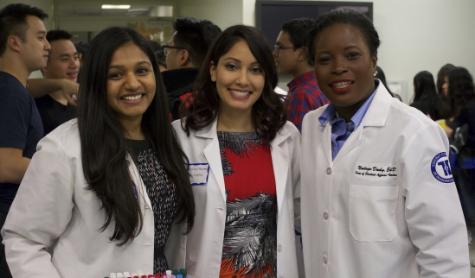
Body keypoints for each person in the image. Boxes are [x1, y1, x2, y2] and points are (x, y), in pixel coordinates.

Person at [2, 27, 194, 277]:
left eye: (142, 71)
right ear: (95, 83)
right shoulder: (63, 148)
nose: (133, 83)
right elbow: (24, 240)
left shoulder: (168, 141)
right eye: (115, 75)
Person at [300, 10, 469, 278]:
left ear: (374, 60)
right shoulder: (310, 127)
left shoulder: (414, 133)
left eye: (352, 55)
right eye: (324, 59)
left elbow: (444, 250)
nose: (338, 67)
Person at [172, 25, 301, 277]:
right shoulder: (181, 136)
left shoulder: (287, 137)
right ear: (212, 70)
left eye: (255, 70)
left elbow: (299, 217)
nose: (243, 80)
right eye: (231, 66)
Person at [0, 4, 50, 277]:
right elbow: (5, 165)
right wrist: (62, 171)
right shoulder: (9, 93)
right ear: (14, 42)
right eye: (41, 37)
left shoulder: (14, 88)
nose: (48, 46)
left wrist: (60, 84)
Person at [273, 17, 328, 131]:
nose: (274, 53)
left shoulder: (301, 95)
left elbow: (295, 145)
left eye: (280, 47)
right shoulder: (322, 84)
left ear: (302, 53)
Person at [162, 17, 221, 120]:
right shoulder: (222, 96)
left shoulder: (171, 103)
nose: (165, 56)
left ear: (183, 56)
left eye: (167, 50)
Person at [36, 29, 79, 135]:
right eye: (65, 59)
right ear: (45, 65)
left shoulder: (81, 105)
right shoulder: (36, 108)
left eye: (76, 57)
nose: (74, 64)